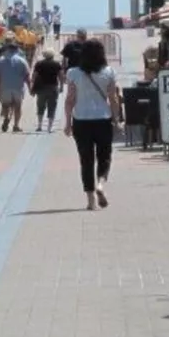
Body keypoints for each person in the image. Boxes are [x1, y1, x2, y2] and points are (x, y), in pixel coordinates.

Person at [63, 38, 122, 211]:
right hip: (103, 119)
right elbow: (113, 98)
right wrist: (116, 119)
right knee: (105, 156)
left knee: (86, 160)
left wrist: (68, 122)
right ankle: (100, 185)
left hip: (81, 120)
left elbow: (70, 100)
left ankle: (90, 201)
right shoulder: (109, 72)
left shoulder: (73, 73)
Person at [0, 36, 30, 132]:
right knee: (18, 106)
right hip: (18, 86)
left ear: (8, 49)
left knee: (5, 105)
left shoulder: (1, 60)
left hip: (5, 86)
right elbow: (27, 75)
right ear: (17, 50)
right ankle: (16, 125)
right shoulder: (22, 60)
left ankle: (6, 118)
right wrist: (30, 87)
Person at [31, 48, 64, 132]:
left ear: (44, 55)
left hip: (41, 88)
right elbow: (61, 76)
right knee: (52, 106)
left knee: (40, 106)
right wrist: (61, 87)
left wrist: (32, 86)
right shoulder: (56, 64)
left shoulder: (39, 64)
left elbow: (34, 75)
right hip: (53, 87)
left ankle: (39, 125)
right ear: (53, 55)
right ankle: (49, 127)